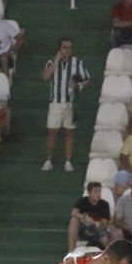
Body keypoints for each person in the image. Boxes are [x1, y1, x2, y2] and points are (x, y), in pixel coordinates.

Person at [41, 38, 90, 172]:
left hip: (72, 102)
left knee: (69, 132)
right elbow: (45, 77)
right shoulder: (51, 62)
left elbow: (87, 80)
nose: (67, 50)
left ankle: (68, 161)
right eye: (64, 47)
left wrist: (78, 85)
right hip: (56, 102)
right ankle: (49, 160)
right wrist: (56, 61)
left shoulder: (77, 63)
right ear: (59, 49)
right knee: (52, 131)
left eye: (69, 47)